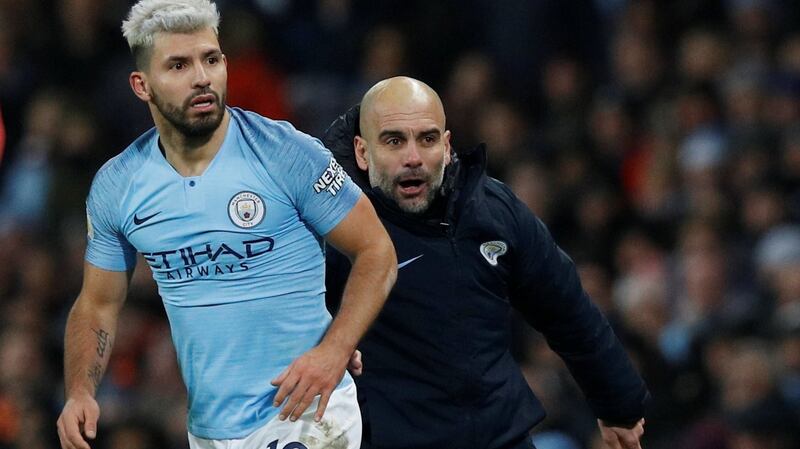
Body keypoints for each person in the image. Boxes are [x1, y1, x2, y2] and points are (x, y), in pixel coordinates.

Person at [55, 1, 397, 449]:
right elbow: (97, 304)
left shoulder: (285, 152)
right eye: (179, 64)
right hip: (211, 430)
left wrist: (333, 351)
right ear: (142, 85)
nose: (201, 76)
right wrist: (80, 391)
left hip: (308, 411)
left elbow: (377, 251)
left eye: (211, 59)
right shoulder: (118, 186)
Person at [323, 77, 649, 449]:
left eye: (427, 139)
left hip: (502, 437)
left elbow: (567, 309)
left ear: (446, 147)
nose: (413, 157)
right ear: (362, 152)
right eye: (394, 141)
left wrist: (619, 404)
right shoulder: (331, 230)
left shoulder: (491, 210)